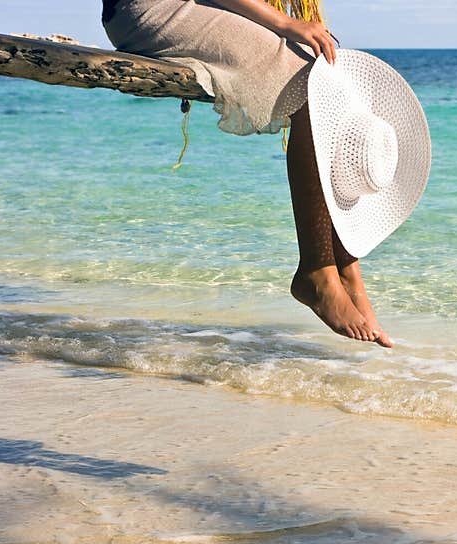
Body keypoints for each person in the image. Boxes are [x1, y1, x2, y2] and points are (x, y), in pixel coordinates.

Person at [102, 0, 393, 347]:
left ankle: (346, 268)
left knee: (327, 74)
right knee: (308, 82)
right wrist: (285, 23)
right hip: (151, 9)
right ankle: (317, 271)